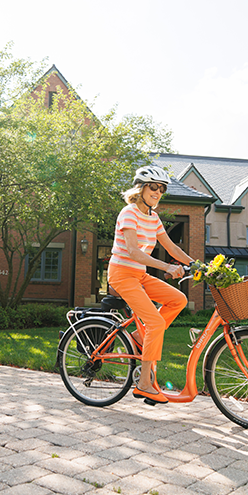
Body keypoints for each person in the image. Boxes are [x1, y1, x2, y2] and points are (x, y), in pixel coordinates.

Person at [107, 165, 197, 403]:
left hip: (140, 275)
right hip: (122, 274)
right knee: (155, 321)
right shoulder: (129, 213)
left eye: (161, 189)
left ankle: (140, 336)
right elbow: (134, 252)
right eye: (153, 188)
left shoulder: (153, 217)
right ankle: (144, 383)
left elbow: (171, 247)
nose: (157, 192)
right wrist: (167, 267)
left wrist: (197, 265)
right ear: (141, 188)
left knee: (179, 299)